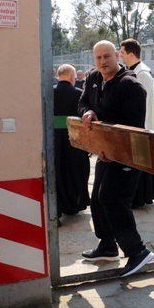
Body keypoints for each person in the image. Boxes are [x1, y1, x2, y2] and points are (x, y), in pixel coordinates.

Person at [77, 40, 154, 278]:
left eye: (107, 56)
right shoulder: (92, 79)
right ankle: (108, 246)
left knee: (112, 199)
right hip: (104, 153)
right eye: (98, 58)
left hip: (128, 156)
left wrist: (111, 149)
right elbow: (82, 103)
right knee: (98, 200)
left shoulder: (131, 85)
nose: (103, 61)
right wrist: (87, 112)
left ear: (118, 56)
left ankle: (137, 251)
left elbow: (133, 129)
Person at [119, 38, 154, 209]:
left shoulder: (141, 74)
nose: (120, 56)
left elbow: (140, 105)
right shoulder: (137, 71)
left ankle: (140, 197)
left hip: (141, 125)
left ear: (130, 54)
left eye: (121, 53)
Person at [53, 64, 90, 218]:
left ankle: (58, 204)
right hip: (75, 137)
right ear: (71, 77)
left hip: (54, 138)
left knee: (58, 170)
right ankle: (76, 203)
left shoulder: (49, 93)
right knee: (77, 169)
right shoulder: (79, 94)